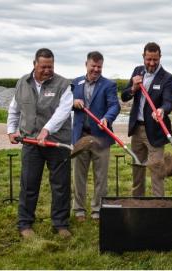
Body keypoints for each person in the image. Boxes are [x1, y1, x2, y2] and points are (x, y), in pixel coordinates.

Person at [7, 48, 73, 238]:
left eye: (50, 66)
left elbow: (63, 111)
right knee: (29, 184)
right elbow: (15, 108)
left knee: (60, 185)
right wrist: (11, 130)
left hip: (57, 143)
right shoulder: (22, 83)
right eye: (43, 66)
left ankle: (60, 224)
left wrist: (46, 130)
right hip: (31, 142)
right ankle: (25, 224)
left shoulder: (63, 84)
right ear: (34, 64)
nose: (47, 70)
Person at [121, 42, 172, 196]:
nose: (151, 63)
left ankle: (158, 206)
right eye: (148, 59)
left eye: (155, 60)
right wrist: (133, 88)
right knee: (137, 169)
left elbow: (168, 102)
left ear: (160, 58)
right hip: (137, 130)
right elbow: (124, 97)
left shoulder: (168, 78)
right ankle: (138, 204)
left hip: (156, 131)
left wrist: (162, 110)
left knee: (157, 171)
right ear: (143, 57)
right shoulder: (137, 72)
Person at [71, 51, 120, 221]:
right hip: (80, 137)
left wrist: (107, 118)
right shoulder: (76, 83)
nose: (96, 69)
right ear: (86, 64)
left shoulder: (109, 85)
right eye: (93, 66)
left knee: (101, 177)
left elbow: (115, 106)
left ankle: (97, 209)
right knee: (78, 175)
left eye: (99, 66)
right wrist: (73, 102)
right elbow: (65, 104)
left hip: (101, 137)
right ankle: (78, 209)